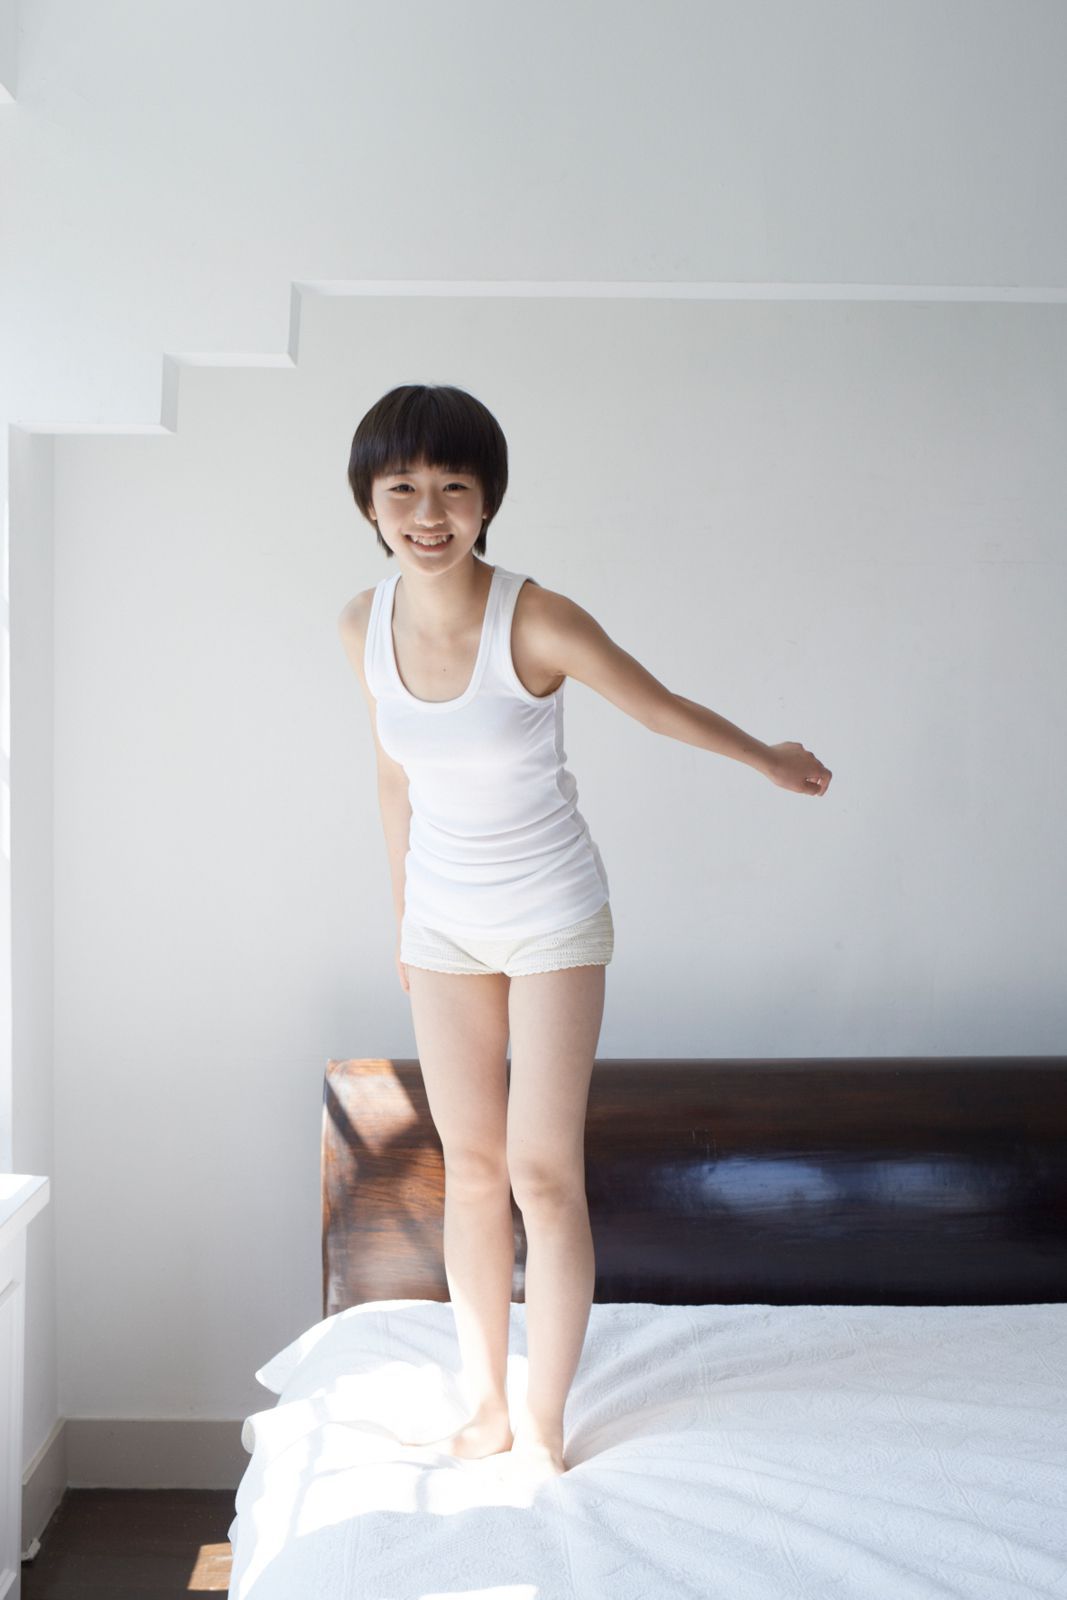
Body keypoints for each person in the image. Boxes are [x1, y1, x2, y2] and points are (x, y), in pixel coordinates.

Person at [337, 384, 833, 1476]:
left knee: (540, 1172)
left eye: (453, 487)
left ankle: (545, 1420)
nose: (429, 513)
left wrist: (765, 756)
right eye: (402, 489)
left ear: (487, 501)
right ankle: (485, 1405)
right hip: (443, 927)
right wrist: (403, 916)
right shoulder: (359, 626)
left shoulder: (535, 618)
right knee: (471, 1169)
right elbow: (392, 776)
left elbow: (654, 705)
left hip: (551, 916)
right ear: (370, 504)